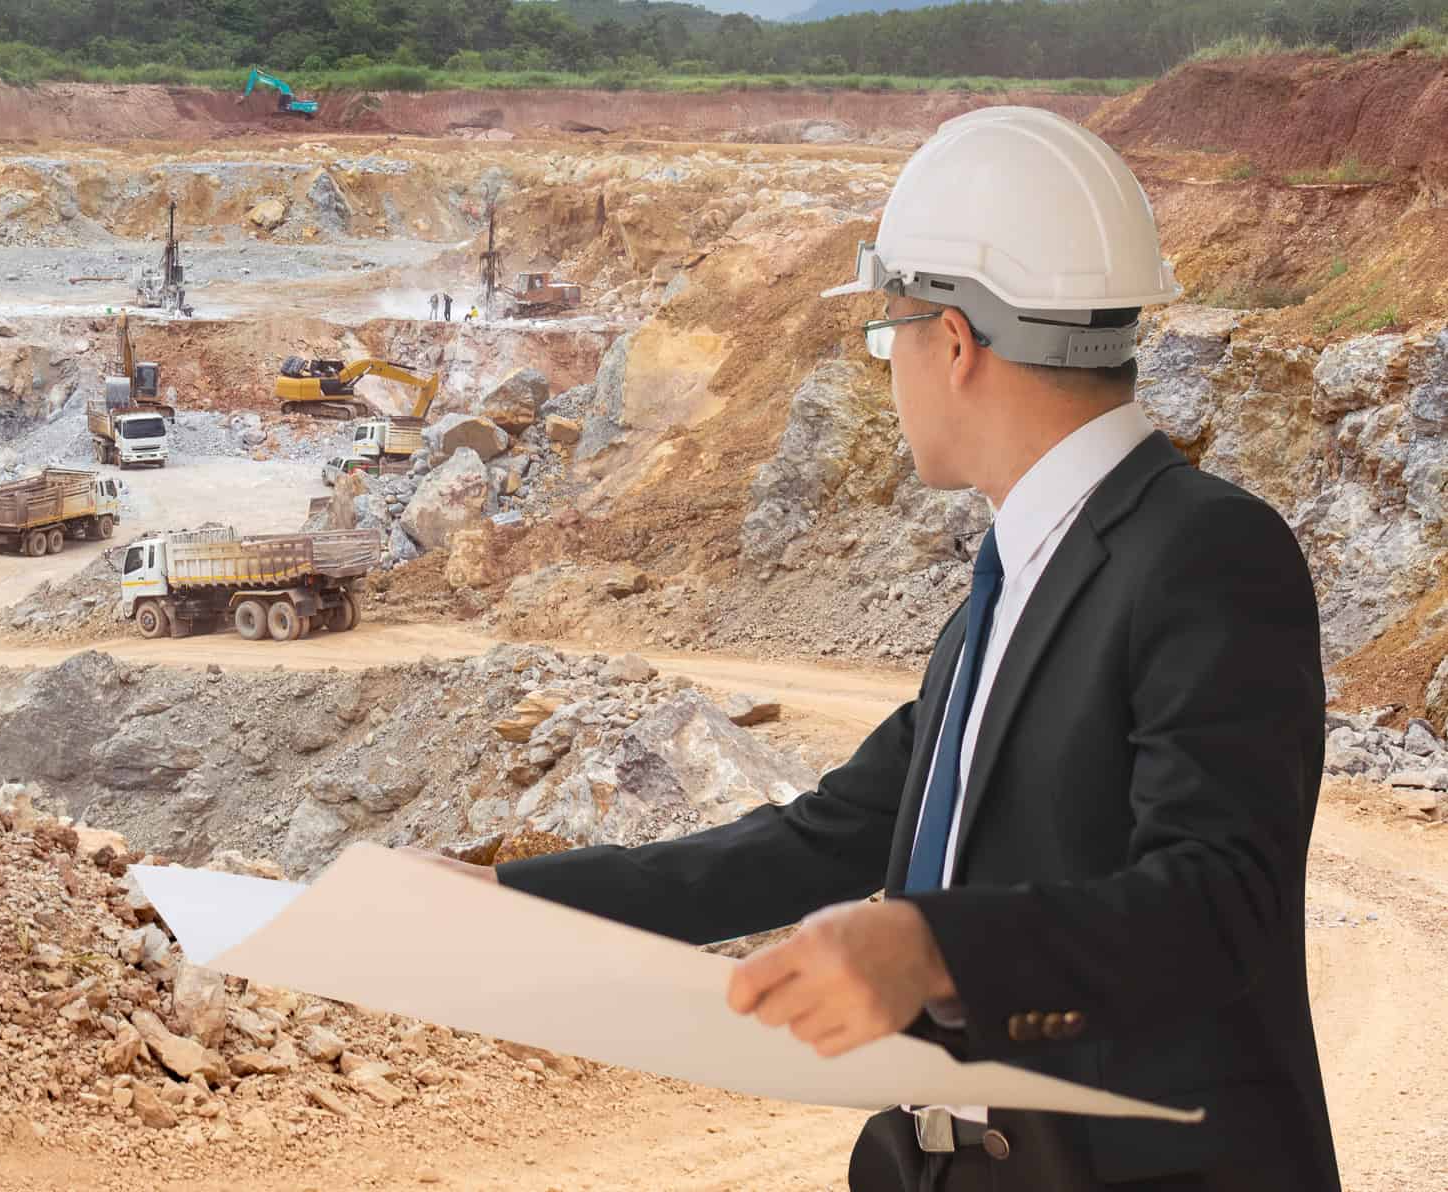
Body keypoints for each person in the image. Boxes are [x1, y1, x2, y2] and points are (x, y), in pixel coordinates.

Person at [414, 108, 1337, 1192]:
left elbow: (1216, 900)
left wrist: (934, 947)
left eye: (883, 332)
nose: (884, 366)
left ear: (952, 342)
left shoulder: (1204, 549)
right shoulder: (1012, 589)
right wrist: (512, 904)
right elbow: (824, 839)